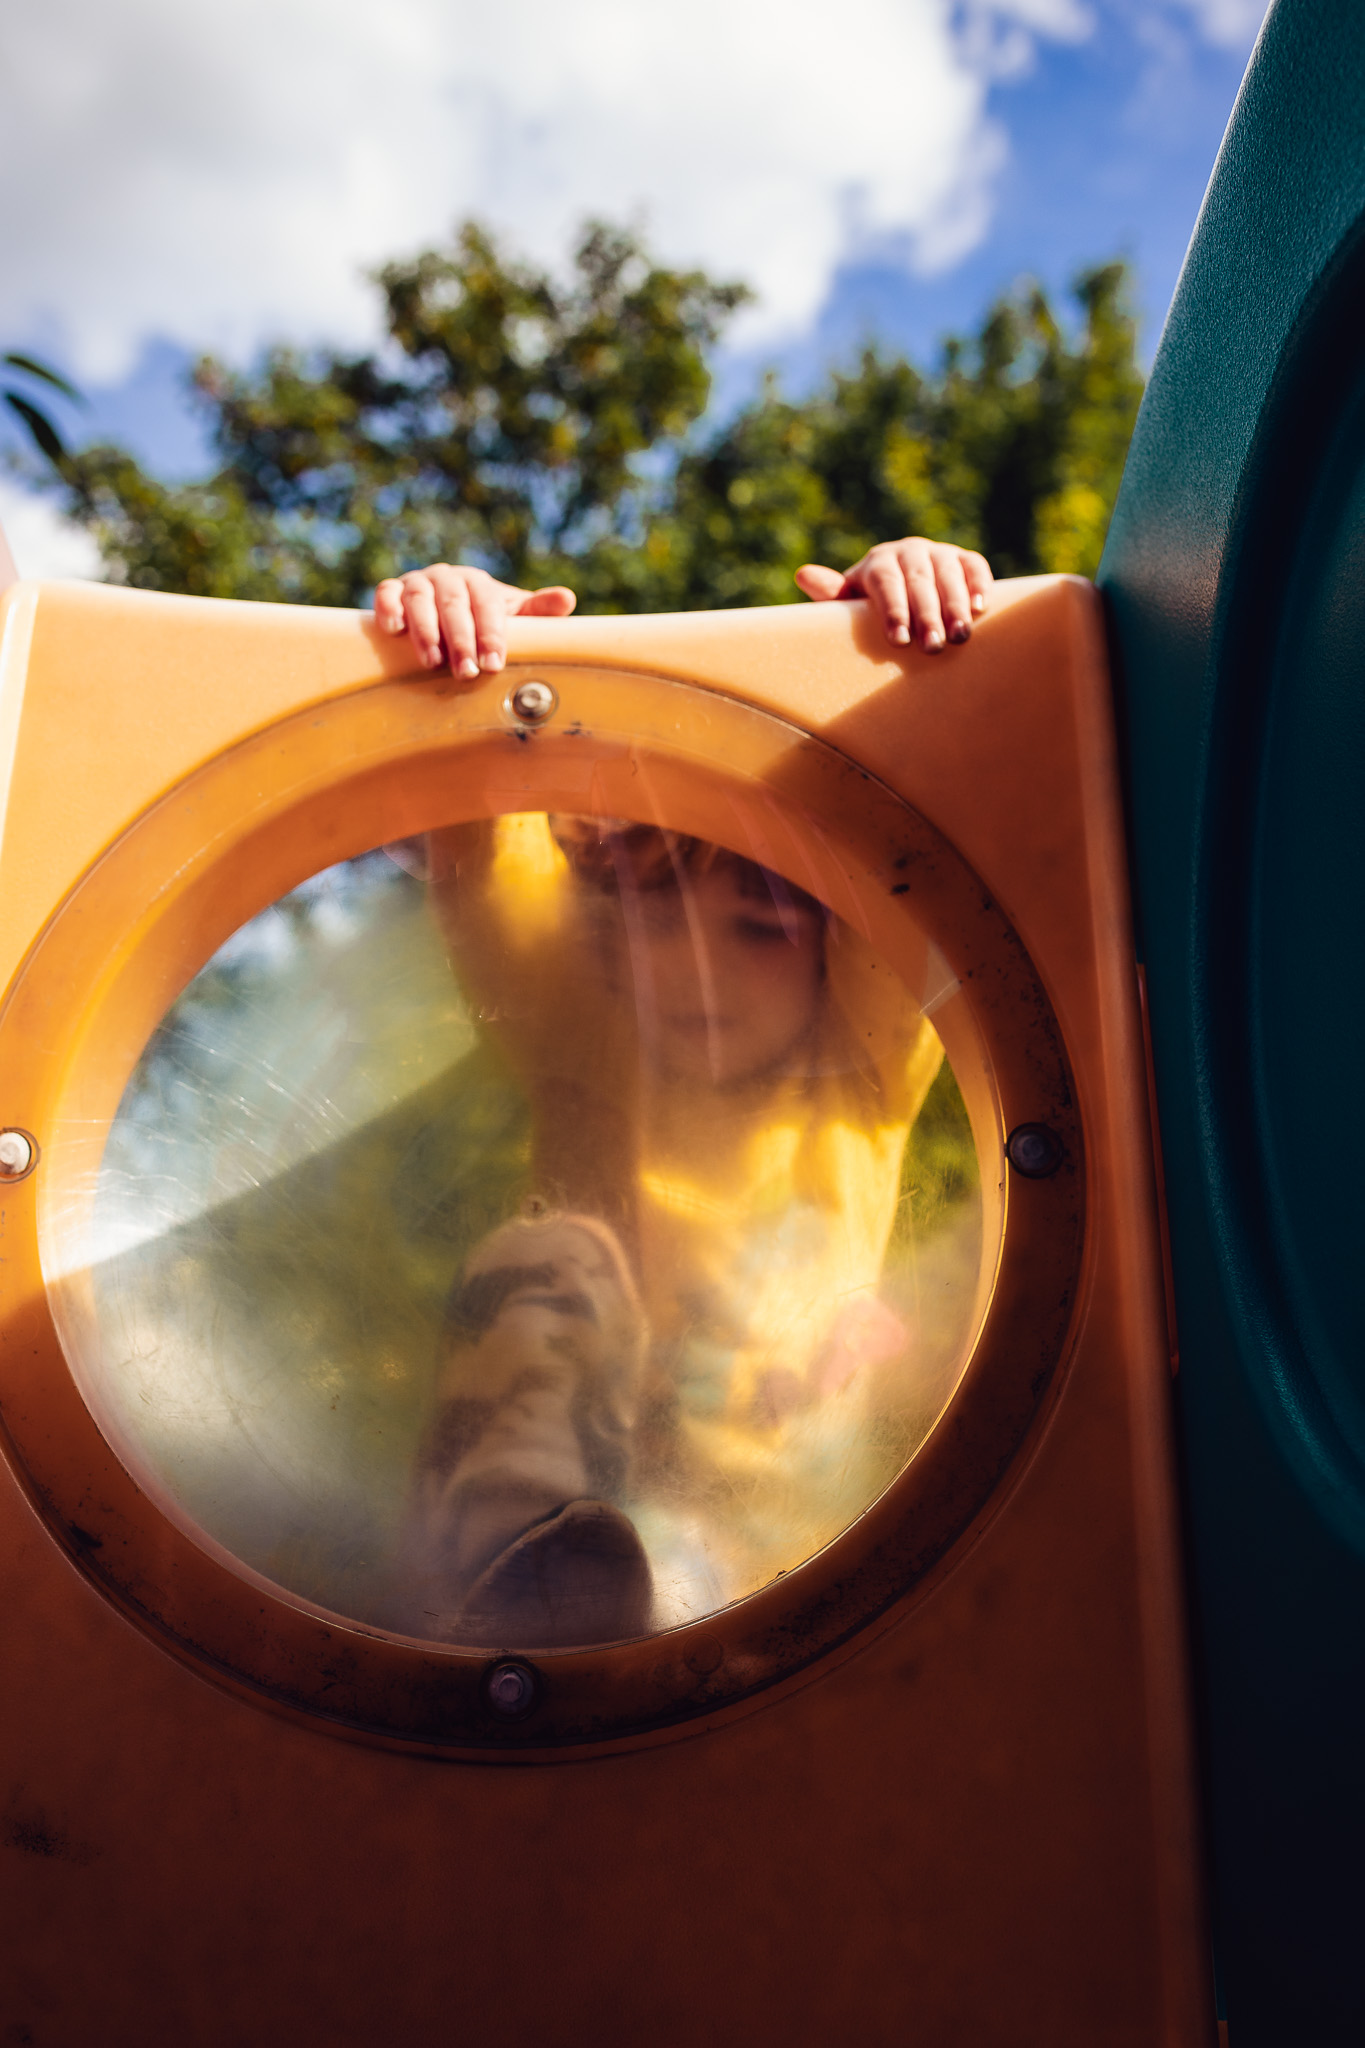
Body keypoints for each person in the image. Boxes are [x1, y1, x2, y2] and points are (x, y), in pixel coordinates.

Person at [380, 539, 993, 1649]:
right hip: (546, 1482)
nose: (696, 967)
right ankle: (516, 1556)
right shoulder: (582, 1029)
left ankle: (625, 1588)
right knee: (552, 1252)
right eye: (658, 918)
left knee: (688, 1571)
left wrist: (893, 648)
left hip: (774, 1544)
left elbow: (907, 864)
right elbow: (483, 857)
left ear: (825, 947)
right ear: (611, 928)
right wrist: (470, 659)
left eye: (759, 928)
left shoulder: (858, 1064)